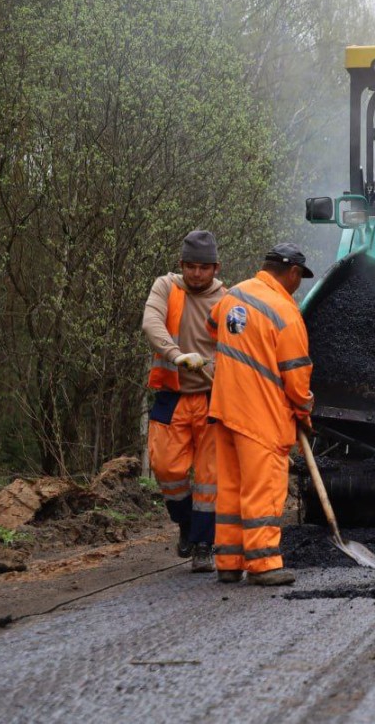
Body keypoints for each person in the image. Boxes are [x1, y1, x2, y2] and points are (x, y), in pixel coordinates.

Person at [206, 243, 315, 586]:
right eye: (300, 279)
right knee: (263, 489)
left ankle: (228, 561)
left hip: (224, 408)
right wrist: (304, 410)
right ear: (293, 274)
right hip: (261, 416)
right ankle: (264, 563)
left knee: (231, 489)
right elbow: (297, 377)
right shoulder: (285, 311)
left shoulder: (232, 296)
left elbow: (214, 328)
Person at [142, 230, 226, 573]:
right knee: (166, 469)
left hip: (210, 399)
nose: (196, 273)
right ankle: (187, 525)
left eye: (203, 268)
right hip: (171, 396)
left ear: (215, 268)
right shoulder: (166, 287)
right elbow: (151, 323)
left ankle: (204, 545)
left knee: (209, 477)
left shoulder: (227, 300)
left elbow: (237, 346)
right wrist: (176, 355)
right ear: (181, 265)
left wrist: (214, 366)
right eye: (190, 266)